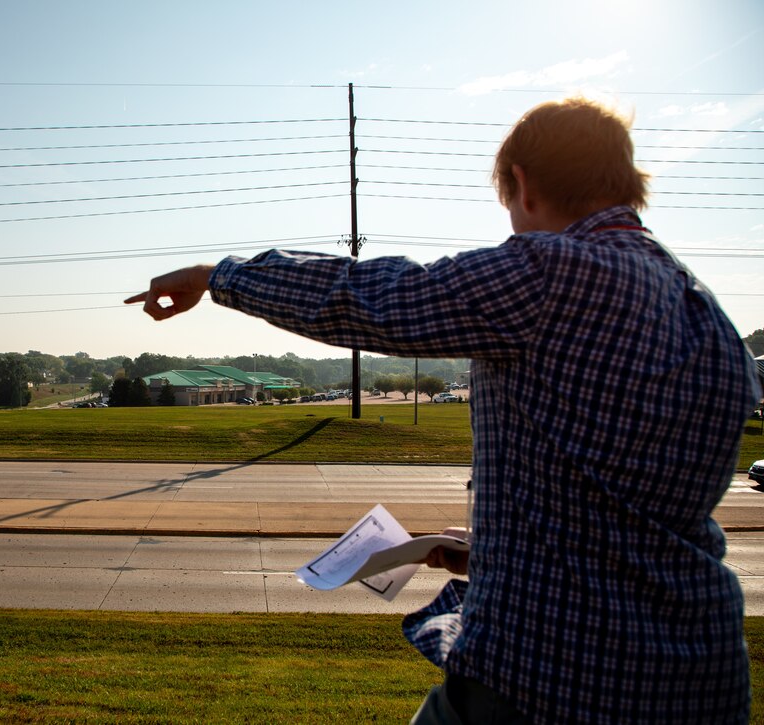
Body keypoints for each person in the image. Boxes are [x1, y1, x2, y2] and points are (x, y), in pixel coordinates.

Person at [125, 96, 758, 724]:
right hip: (700, 676)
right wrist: (499, 551)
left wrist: (219, 275)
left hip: (557, 677)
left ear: (521, 183)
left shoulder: (550, 272)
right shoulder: (707, 313)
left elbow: (372, 296)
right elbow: (627, 507)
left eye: (508, 202)